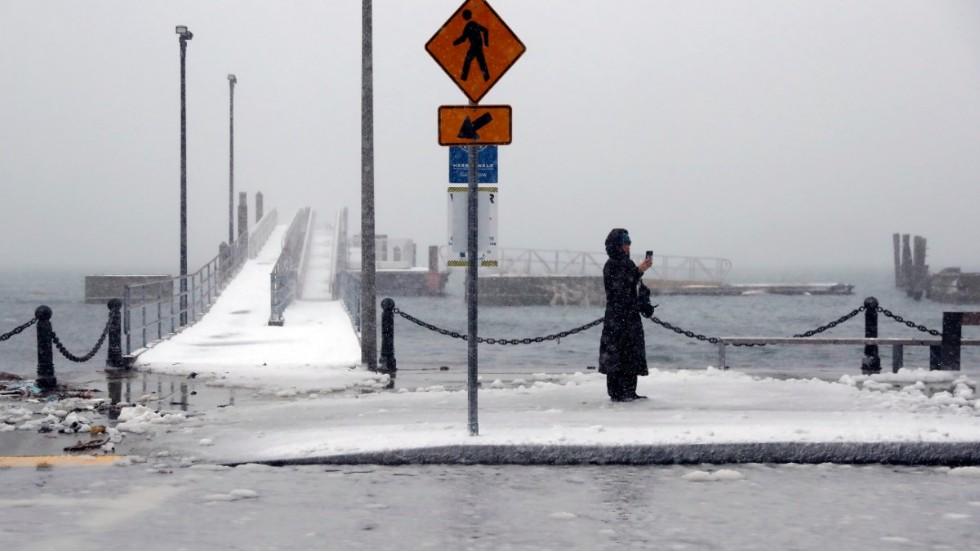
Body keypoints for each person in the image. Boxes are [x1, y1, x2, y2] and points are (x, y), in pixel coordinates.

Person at [599, 228, 654, 402]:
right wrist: (638, 271)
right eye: (625, 244)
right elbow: (619, 288)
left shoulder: (627, 264)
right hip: (617, 317)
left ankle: (630, 391)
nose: (628, 247)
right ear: (617, 245)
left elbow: (630, 286)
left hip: (630, 316)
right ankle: (617, 392)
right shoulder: (612, 264)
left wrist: (638, 273)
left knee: (631, 354)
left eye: (629, 243)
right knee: (617, 356)